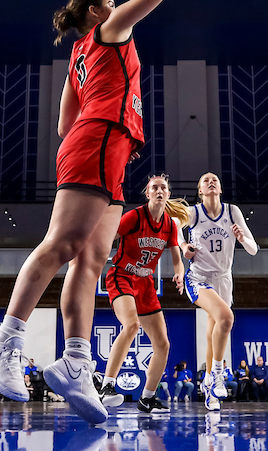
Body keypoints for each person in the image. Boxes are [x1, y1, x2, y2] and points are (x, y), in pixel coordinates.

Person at [0, 0, 221, 425]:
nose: (117, 5)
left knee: (91, 261)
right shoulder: (109, 32)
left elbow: (63, 122)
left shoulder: (78, 58)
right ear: (96, 13)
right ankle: (3, 344)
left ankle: (77, 362)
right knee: (61, 246)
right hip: (99, 141)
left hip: (104, 145)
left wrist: (99, 122)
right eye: (110, 1)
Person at [98, 173, 186, 415]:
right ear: (147, 193)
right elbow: (108, 238)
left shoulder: (169, 224)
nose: (159, 191)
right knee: (132, 325)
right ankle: (107, 385)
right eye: (154, 187)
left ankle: (147, 398)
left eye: (163, 188)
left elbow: (177, 260)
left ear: (168, 194)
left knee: (163, 344)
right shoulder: (134, 216)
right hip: (122, 275)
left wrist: (179, 274)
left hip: (145, 284)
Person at [179, 171, 258, 411]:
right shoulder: (193, 213)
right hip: (198, 278)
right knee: (226, 318)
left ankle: (208, 387)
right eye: (205, 180)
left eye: (215, 180)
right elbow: (171, 225)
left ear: (221, 189)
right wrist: (183, 245)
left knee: (215, 328)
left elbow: (253, 249)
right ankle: (218, 374)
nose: (211, 182)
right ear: (200, 190)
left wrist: (242, 237)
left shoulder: (232, 211)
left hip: (224, 279)